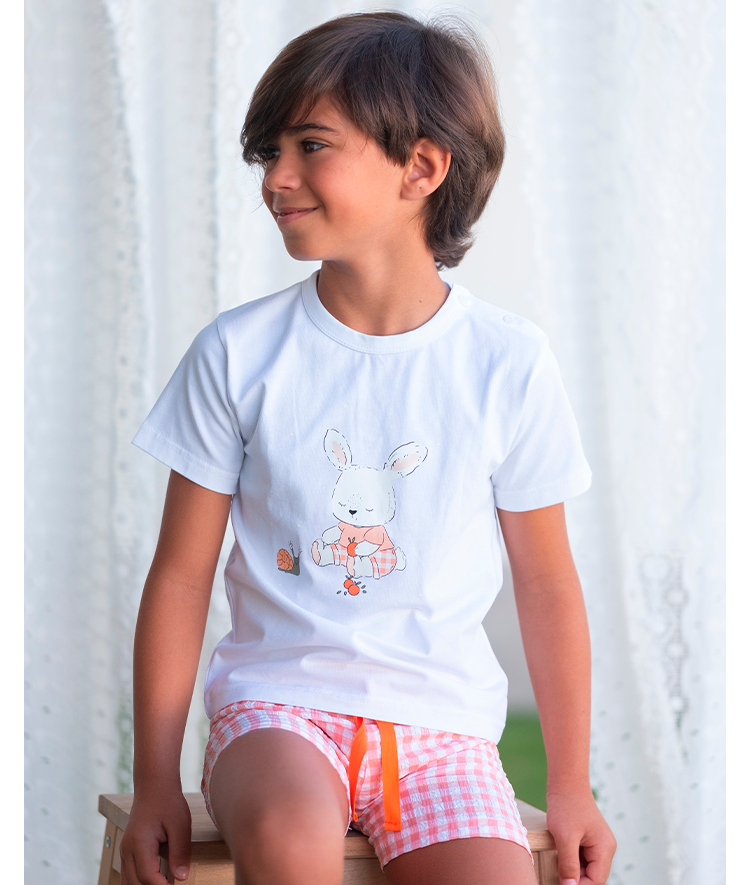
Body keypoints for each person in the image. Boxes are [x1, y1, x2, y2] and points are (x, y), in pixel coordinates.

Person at [119, 11, 617, 885]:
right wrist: (154, 780)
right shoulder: (237, 354)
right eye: (269, 152)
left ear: (421, 167)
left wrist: (571, 784)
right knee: (289, 840)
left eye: (311, 145)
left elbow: (546, 583)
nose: (277, 177)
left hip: (444, 734)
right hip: (276, 712)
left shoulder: (508, 362)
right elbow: (181, 578)